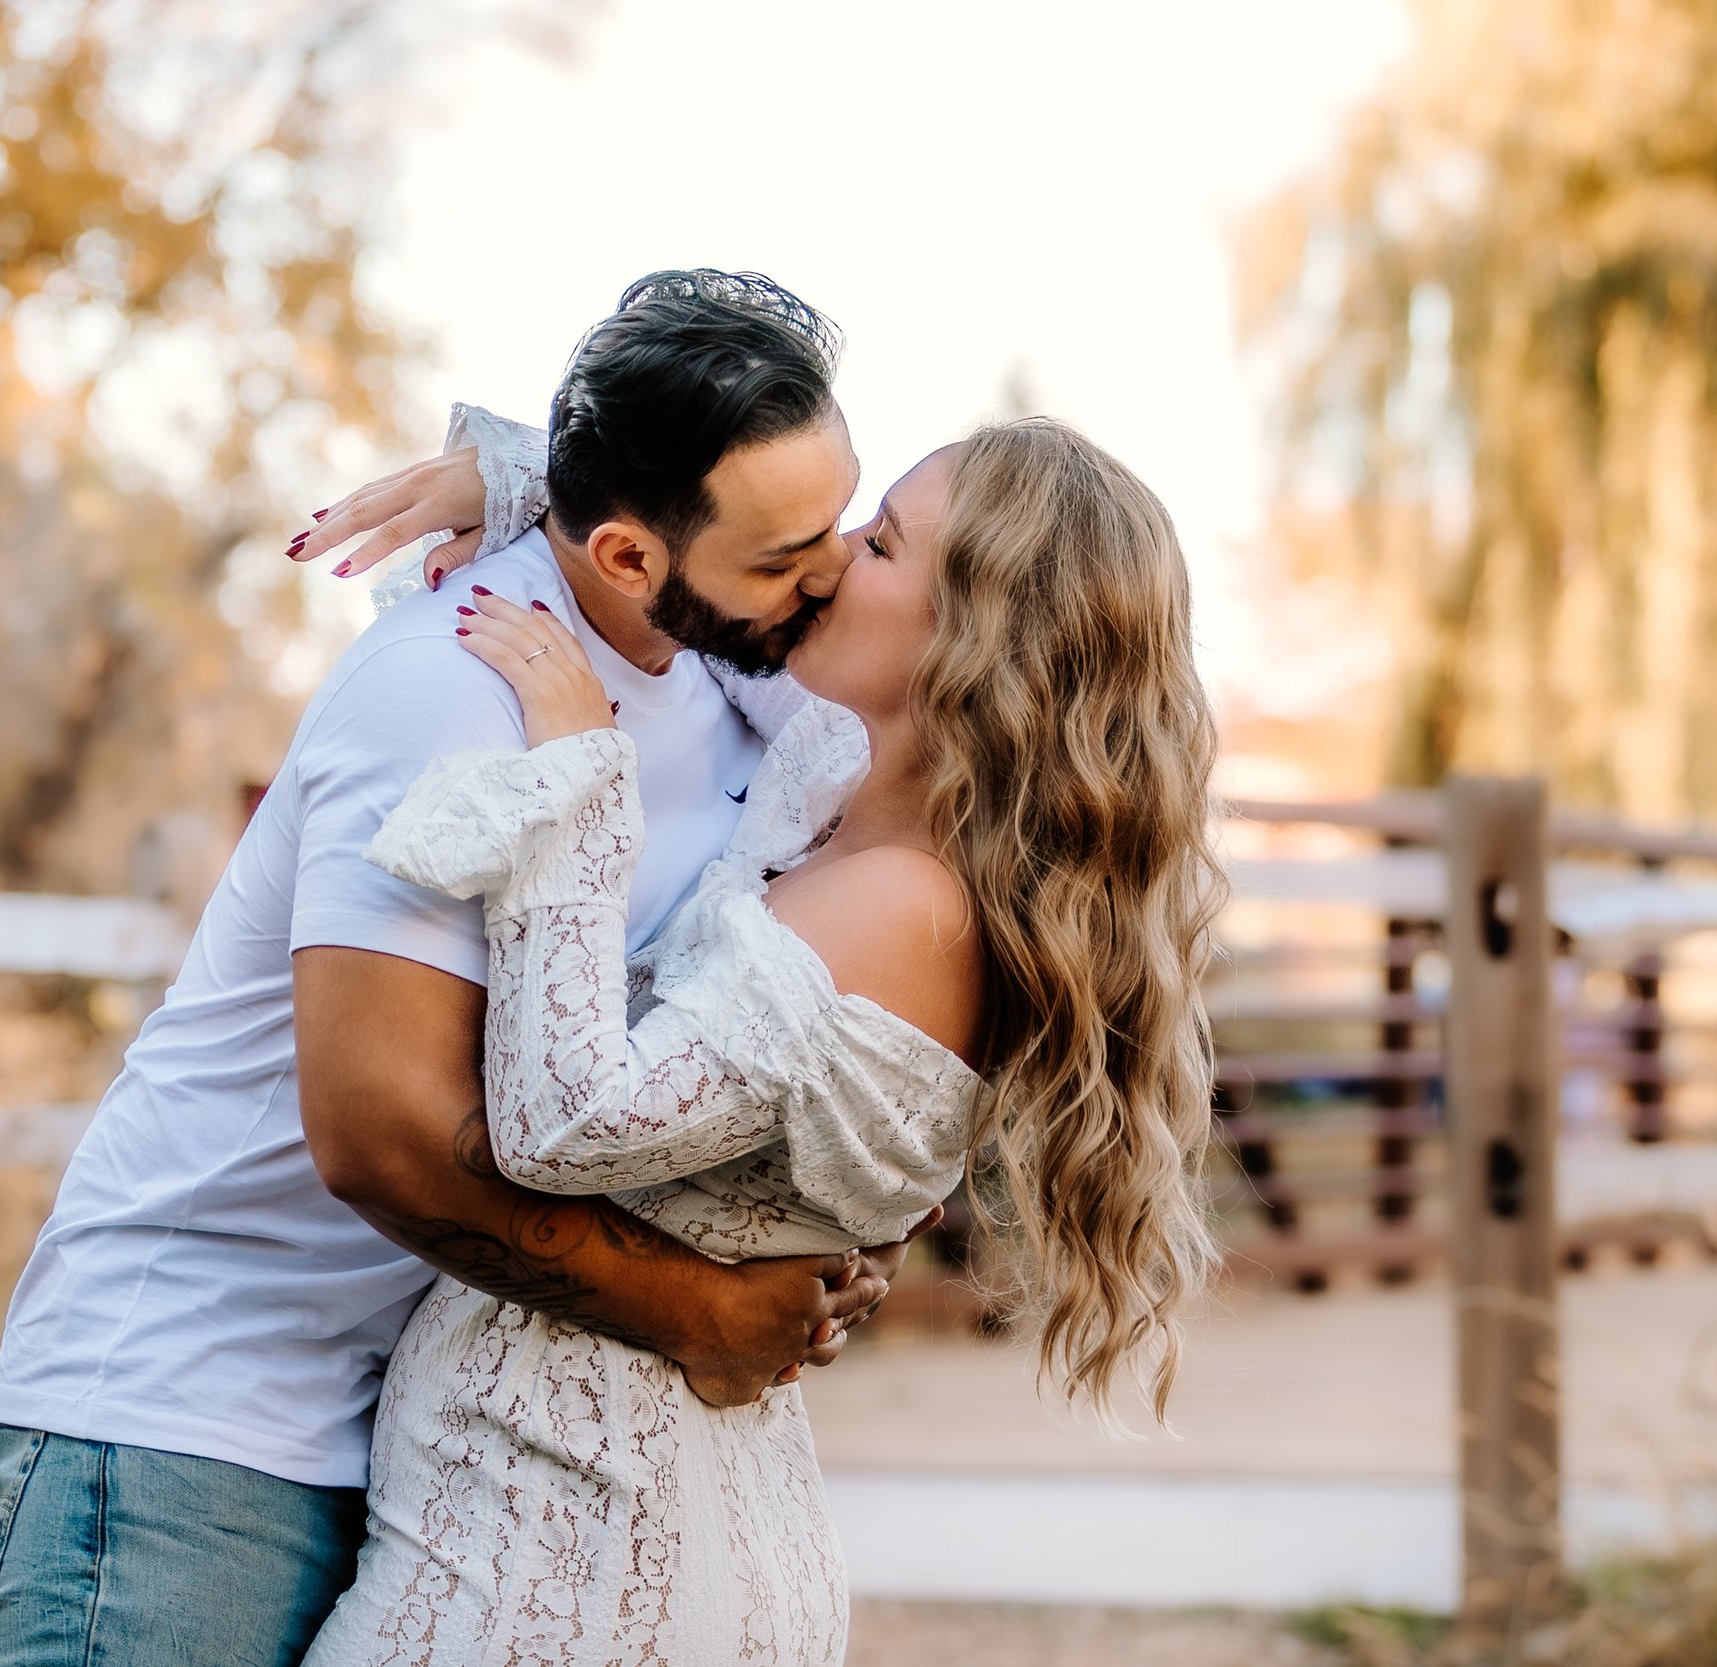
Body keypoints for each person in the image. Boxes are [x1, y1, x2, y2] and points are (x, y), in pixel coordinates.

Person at [0, 272, 926, 1667]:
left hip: (406, 1417)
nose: (831, 567)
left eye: (840, 524)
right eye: (788, 554)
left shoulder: (734, 672)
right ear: (624, 557)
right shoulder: (454, 678)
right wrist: (703, 1307)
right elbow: (380, 1136)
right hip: (188, 1407)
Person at [290, 410, 1228, 1664]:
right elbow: (703, 581)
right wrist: (546, 483)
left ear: (971, 643)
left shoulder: (903, 904)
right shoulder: (838, 804)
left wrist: (580, 782)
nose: (829, 557)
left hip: (565, 1562)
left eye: (881, 543)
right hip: (594, 1526)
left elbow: (566, 1120)